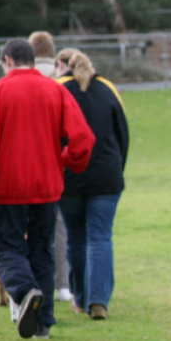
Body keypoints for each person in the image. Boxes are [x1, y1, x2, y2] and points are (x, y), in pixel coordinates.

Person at [0, 38, 94, 339]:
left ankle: (25, 293)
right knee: (42, 251)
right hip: (46, 186)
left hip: (9, 188)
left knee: (9, 248)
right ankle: (43, 323)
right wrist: (64, 161)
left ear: (8, 61)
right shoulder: (55, 90)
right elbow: (83, 139)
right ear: (33, 61)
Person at [55, 48, 128, 321]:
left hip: (68, 175)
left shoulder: (58, 88)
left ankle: (80, 296)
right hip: (107, 175)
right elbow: (123, 133)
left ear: (59, 64)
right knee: (100, 237)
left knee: (76, 238)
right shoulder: (108, 88)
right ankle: (98, 301)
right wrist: (117, 169)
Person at [29, 30, 74, 304]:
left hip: (25, 163)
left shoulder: (22, 76)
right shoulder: (60, 79)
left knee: (26, 227)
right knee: (58, 227)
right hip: (56, 162)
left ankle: (29, 284)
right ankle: (61, 285)